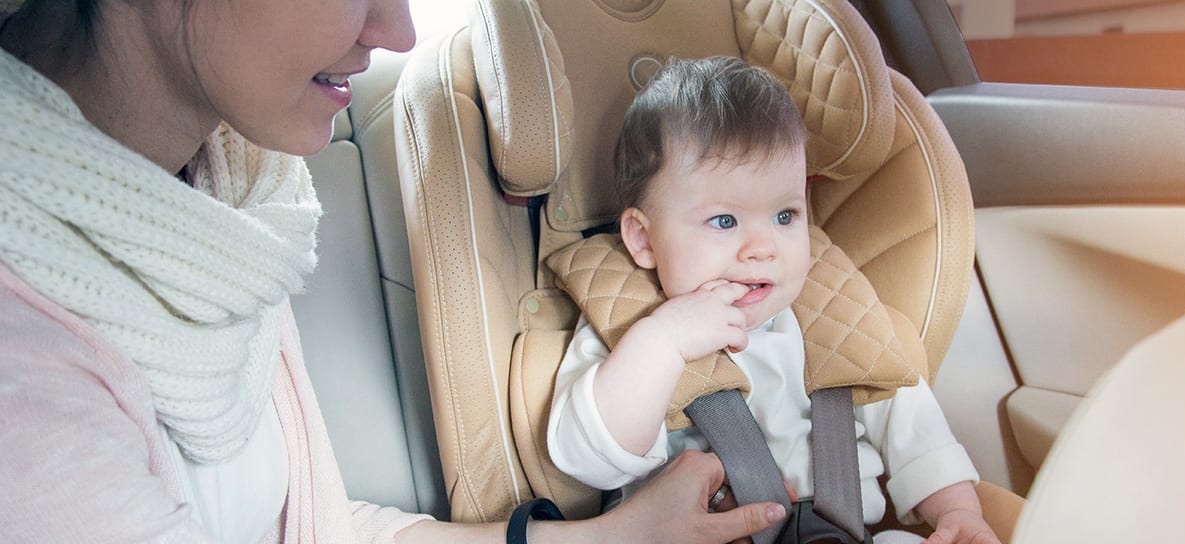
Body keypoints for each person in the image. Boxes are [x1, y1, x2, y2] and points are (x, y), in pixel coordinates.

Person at [0, 1, 786, 542]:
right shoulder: (26, 367)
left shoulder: (233, 209)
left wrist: (609, 536)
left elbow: (312, 529)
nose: (401, 31)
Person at [546, 56, 1001, 544]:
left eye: (785, 216)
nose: (763, 248)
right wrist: (662, 342)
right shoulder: (630, 325)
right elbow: (586, 457)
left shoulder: (831, 314)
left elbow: (910, 421)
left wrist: (957, 510)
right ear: (644, 239)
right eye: (724, 221)